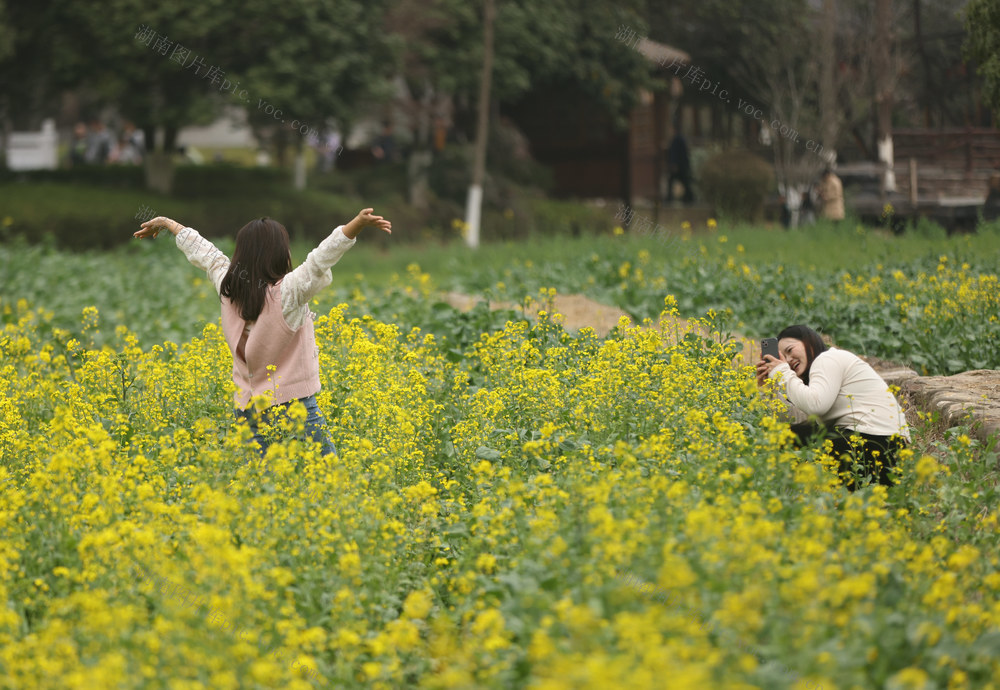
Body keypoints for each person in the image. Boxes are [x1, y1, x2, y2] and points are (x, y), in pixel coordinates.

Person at [133, 209, 393, 458]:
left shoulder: (228, 286)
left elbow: (206, 253)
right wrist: (357, 224)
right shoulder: (288, 292)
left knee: (262, 483)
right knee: (328, 477)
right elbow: (320, 258)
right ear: (280, 253)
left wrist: (168, 223)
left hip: (247, 408)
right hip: (295, 408)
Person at [756, 325, 910, 490]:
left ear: (808, 341)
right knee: (786, 436)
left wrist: (782, 371)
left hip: (877, 443)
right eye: (783, 358)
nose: (788, 360)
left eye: (790, 350)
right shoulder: (818, 378)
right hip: (887, 452)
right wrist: (769, 389)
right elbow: (799, 419)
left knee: (784, 440)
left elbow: (815, 407)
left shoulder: (827, 359)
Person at [666, 131, 694, 204]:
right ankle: (689, 197)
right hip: (682, 166)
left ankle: (689, 197)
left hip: (679, 166)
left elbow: (676, 153)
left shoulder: (677, 140)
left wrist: (674, 164)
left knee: (682, 182)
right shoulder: (679, 139)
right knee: (684, 182)